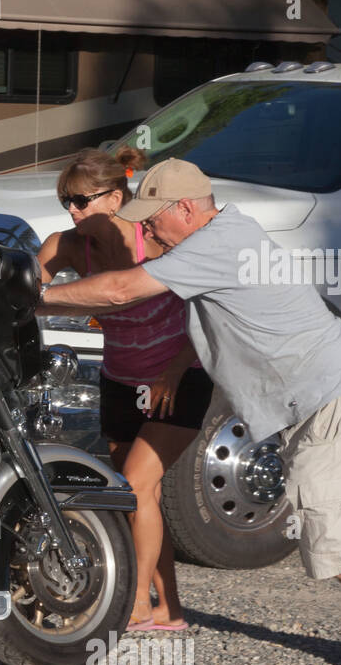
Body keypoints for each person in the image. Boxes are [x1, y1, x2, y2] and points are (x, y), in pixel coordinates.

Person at [41, 158, 341, 665]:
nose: (148, 228)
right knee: (325, 541)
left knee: (336, 542)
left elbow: (119, 290)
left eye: (154, 217)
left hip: (336, 399)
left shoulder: (216, 244)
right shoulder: (219, 238)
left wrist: (34, 296)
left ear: (184, 208)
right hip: (313, 405)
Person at [38, 146, 212, 632]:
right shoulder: (67, 246)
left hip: (178, 379)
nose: (72, 211)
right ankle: (170, 610)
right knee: (140, 495)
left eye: (81, 200)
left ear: (115, 198)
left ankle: (134, 603)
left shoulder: (155, 240)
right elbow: (26, 289)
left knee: (135, 488)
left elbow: (205, 312)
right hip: (119, 379)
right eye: (65, 202)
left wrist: (176, 369)